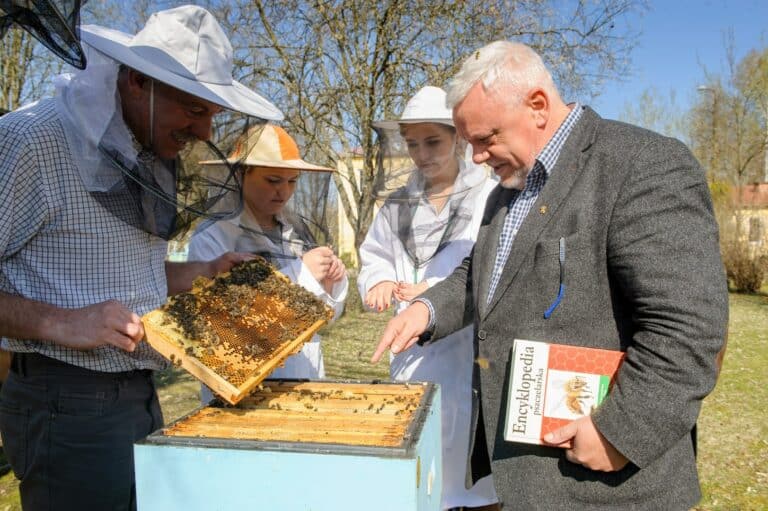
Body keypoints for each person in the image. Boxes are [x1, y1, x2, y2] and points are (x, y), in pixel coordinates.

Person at [371, 41, 728, 510]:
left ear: (537, 106)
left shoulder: (640, 164)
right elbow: (484, 276)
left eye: (486, 138)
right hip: (527, 479)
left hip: (607, 485)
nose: (475, 157)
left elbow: (688, 329)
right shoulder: (506, 190)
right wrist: (428, 307)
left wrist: (618, 433)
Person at [0, 5, 283, 510]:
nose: (204, 134)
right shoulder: (30, 139)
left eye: (212, 115)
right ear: (136, 81)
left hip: (139, 393)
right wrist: (59, 321)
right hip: (64, 400)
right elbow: (75, 303)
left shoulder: (147, 152)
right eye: (193, 111)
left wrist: (202, 272)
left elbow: (127, 275)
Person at [358, 86, 499, 511]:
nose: (421, 153)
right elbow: (374, 257)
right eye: (412, 144)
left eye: (432, 141)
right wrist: (379, 281)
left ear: (457, 137)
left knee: (477, 479)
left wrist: (439, 296)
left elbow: (494, 270)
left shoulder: (489, 199)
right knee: (420, 475)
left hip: (472, 354)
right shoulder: (398, 205)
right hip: (411, 356)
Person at [189, 124, 348, 403]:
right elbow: (224, 326)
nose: (283, 192)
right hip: (240, 388)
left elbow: (327, 316)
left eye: (292, 182)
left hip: (303, 377)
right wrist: (302, 274)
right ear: (240, 176)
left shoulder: (296, 232)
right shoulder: (213, 238)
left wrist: (332, 283)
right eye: (273, 180)